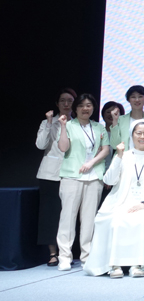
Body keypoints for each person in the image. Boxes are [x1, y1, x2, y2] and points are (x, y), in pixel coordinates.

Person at [83, 119, 144, 278]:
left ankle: (137, 265)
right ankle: (114, 265)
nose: (142, 137)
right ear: (132, 135)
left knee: (141, 220)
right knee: (117, 219)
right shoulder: (123, 156)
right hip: (120, 202)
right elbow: (109, 180)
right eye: (138, 133)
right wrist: (118, 157)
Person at [55, 94, 109, 271]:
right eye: (81, 106)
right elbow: (63, 147)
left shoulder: (98, 127)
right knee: (67, 217)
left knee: (89, 219)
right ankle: (64, 256)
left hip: (94, 177)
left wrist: (91, 163)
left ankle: (87, 256)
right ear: (75, 108)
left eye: (89, 105)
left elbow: (106, 149)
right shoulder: (69, 125)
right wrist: (63, 126)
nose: (85, 108)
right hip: (72, 175)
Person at [36, 88, 76, 266]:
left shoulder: (77, 124)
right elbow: (40, 145)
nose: (66, 104)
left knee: (68, 214)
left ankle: (67, 251)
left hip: (72, 173)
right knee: (50, 214)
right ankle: (53, 253)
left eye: (70, 101)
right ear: (57, 104)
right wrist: (49, 123)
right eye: (63, 101)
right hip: (50, 174)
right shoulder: (47, 123)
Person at [112, 85, 144, 152]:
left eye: (140, 96)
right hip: (124, 157)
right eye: (133, 97)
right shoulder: (120, 120)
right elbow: (114, 145)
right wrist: (114, 121)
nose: (137, 100)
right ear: (128, 100)